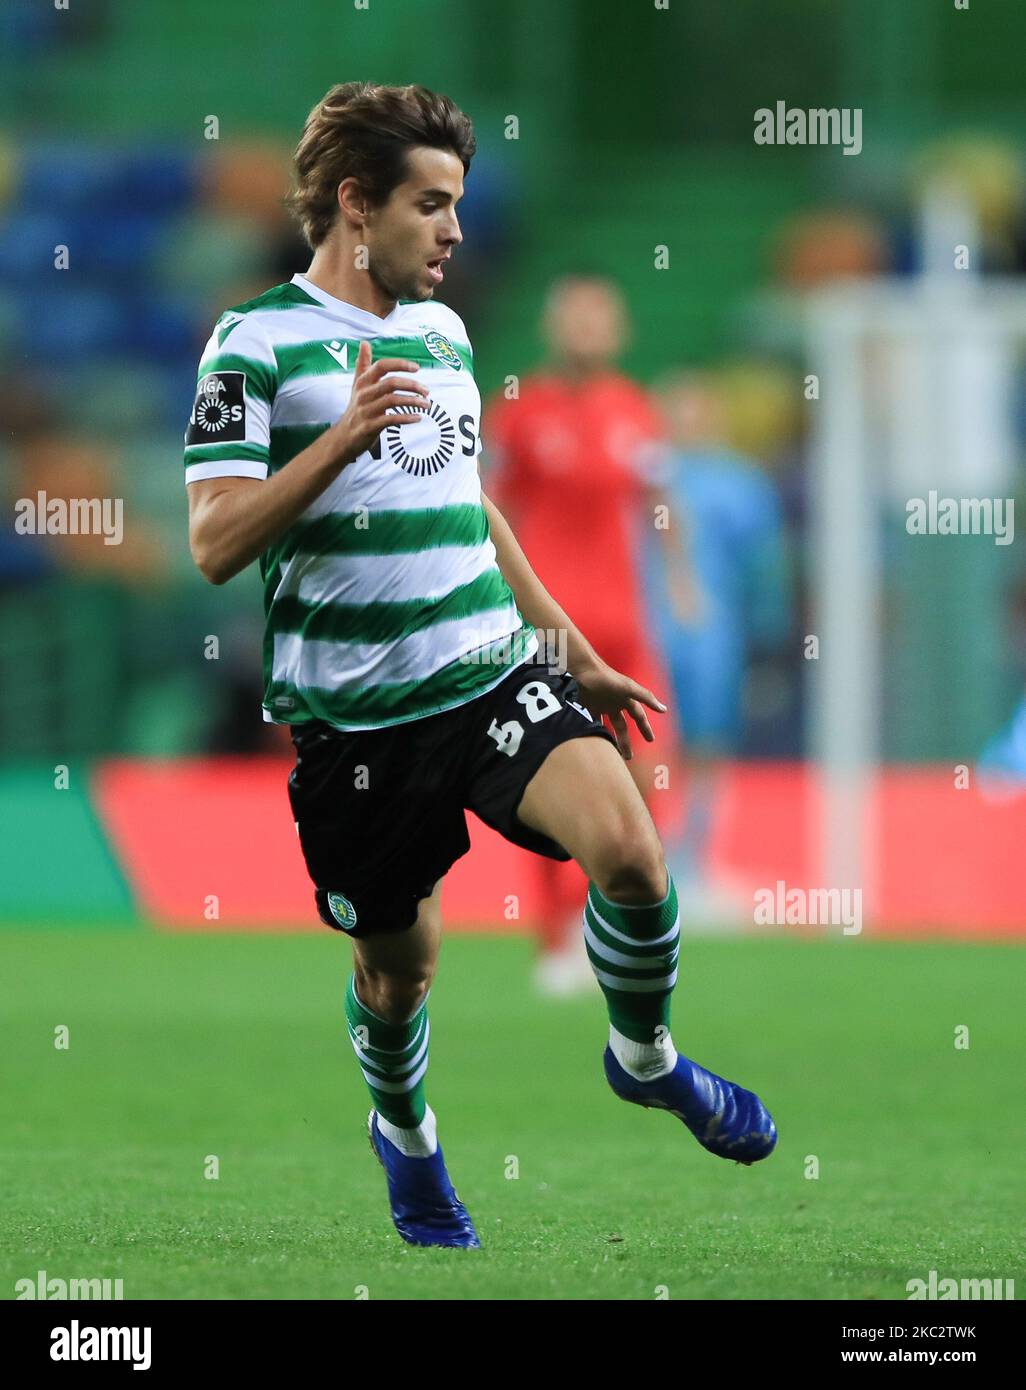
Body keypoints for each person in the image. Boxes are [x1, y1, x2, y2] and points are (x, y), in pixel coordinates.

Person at [185, 81, 776, 1250]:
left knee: (632, 850)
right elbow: (213, 541)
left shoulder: (444, 336)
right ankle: (404, 1134)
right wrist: (342, 439)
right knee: (400, 974)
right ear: (357, 205)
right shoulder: (252, 341)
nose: (456, 231)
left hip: (490, 672)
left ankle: (644, 1055)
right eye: (431, 205)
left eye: (457, 205)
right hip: (356, 727)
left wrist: (570, 649)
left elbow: (472, 512)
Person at [483, 276, 675, 993]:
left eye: (600, 317)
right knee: (550, 778)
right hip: (551, 627)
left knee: (645, 777)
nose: (587, 329)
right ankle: (555, 936)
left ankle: (619, 930)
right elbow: (491, 511)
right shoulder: (520, 413)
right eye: (575, 316)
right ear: (552, 324)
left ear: (618, 330)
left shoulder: (636, 410)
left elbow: (660, 503)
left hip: (625, 627)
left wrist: (682, 586)